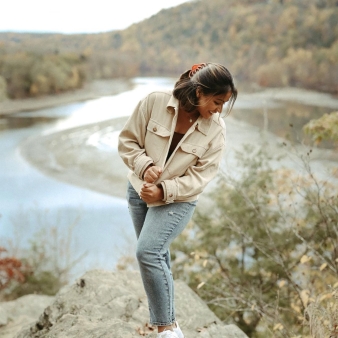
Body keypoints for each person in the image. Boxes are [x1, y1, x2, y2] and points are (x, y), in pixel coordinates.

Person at [118, 62, 237, 338]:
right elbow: (127, 142)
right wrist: (144, 167)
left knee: (147, 252)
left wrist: (163, 192)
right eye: (217, 102)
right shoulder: (154, 102)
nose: (219, 110)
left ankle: (167, 329)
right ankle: (171, 324)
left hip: (180, 199)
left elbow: (201, 177)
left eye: (223, 104)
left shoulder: (216, 129)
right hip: (138, 191)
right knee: (157, 255)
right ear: (198, 92)